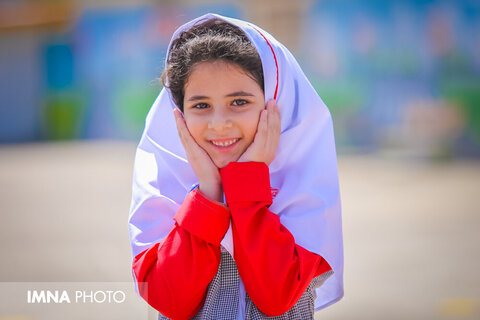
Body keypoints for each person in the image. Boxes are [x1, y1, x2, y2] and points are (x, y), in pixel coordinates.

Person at [128, 13, 344, 320]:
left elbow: (276, 296)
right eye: (201, 105)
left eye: (239, 102)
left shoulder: (305, 187)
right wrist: (207, 195)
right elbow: (169, 300)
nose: (219, 124)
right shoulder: (163, 186)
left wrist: (247, 187)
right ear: (179, 112)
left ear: (275, 103)